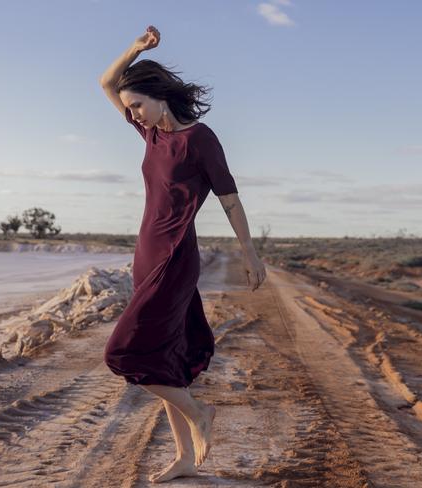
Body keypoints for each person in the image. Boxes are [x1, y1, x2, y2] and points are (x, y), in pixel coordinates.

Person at [99, 25, 267, 483]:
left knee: (122, 354)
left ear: (158, 95)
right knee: (164, 357)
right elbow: (106, 83)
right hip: (145, 253)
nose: (132, 113)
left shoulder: (200, 140)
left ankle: (198, 413)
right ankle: (185, 459)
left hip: (174, 256)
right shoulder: (150, 134)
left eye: (137, 105)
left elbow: (230, 199)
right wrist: (134, 48)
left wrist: (250, 253)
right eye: (130, 107)